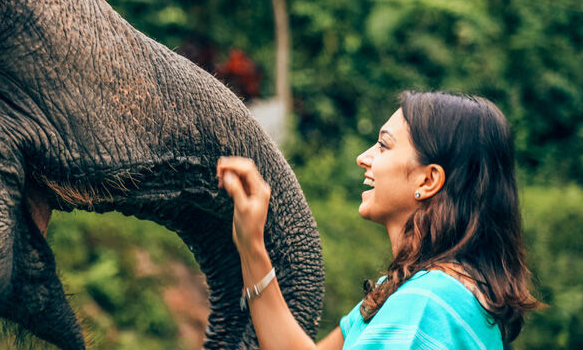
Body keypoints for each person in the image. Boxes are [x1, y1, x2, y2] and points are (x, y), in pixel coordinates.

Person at [217, 91, 542, 350]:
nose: (364, 157)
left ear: (428, 181)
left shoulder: (424, 306)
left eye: (384, 146)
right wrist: (251, 246)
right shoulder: (418, 288)